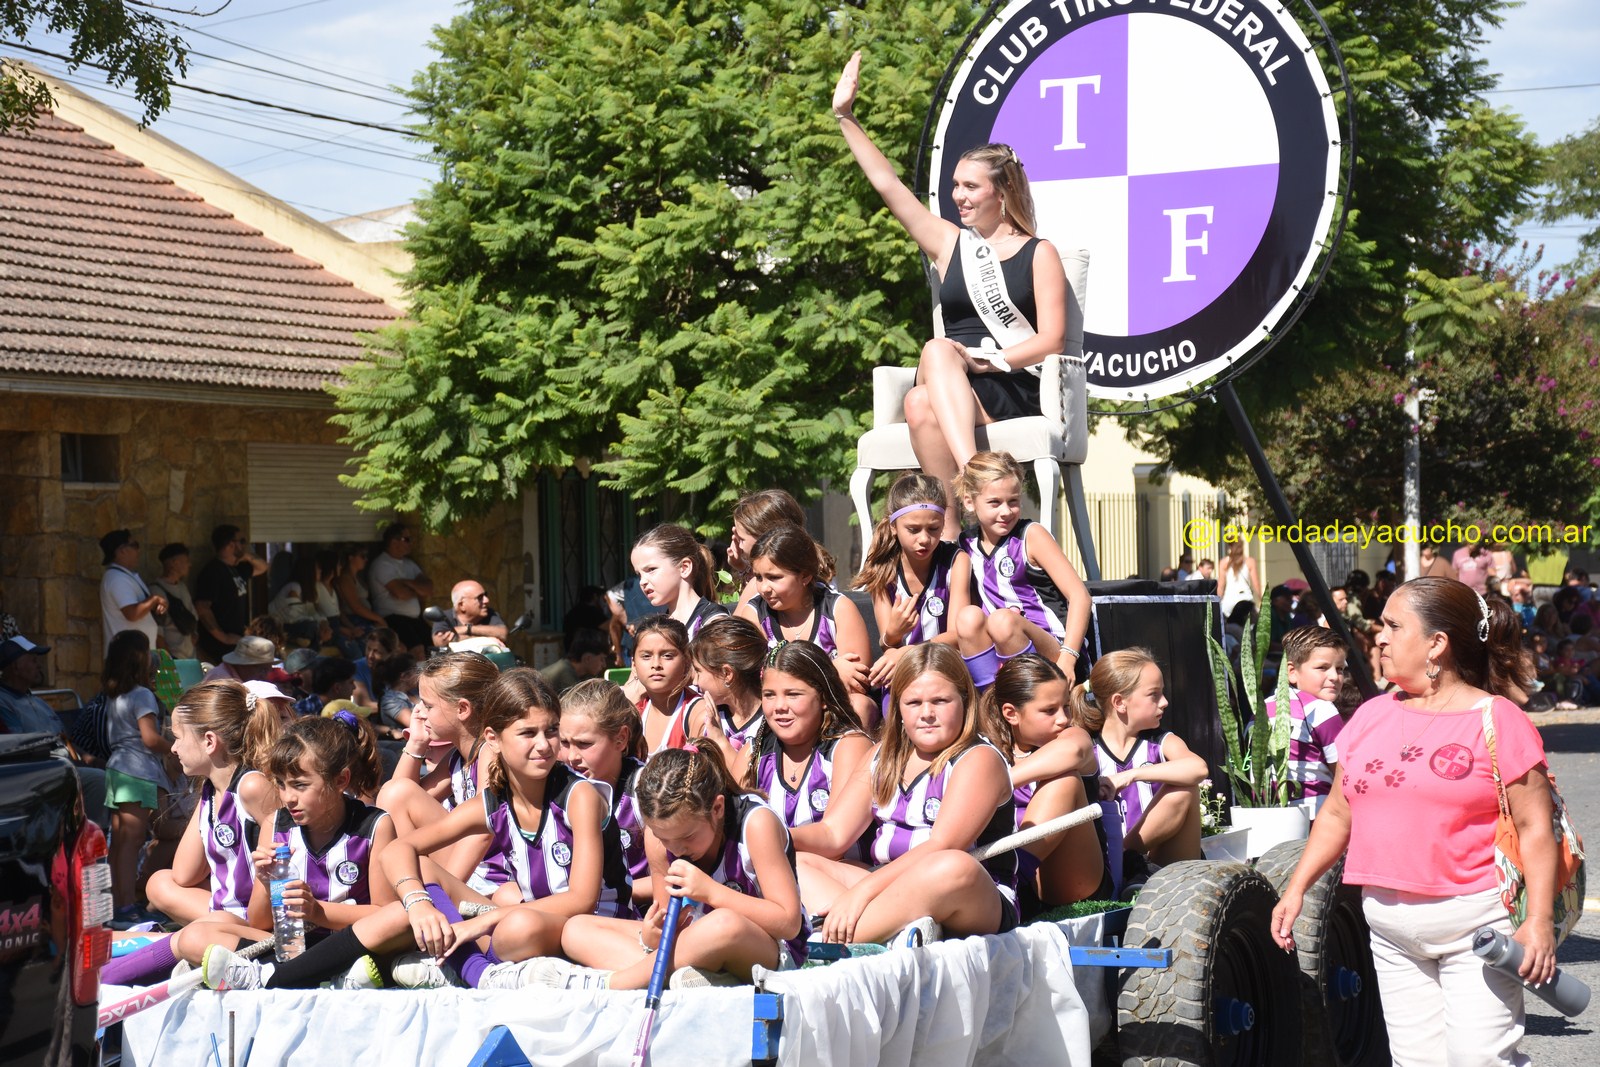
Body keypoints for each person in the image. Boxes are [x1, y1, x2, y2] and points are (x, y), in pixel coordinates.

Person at [1272, 577, 1557, 1067]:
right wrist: (1296, 888)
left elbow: (1535, 827)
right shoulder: (1369, 716)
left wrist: (1539, 921)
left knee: (1479, 1060)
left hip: (1477, 925)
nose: (1379, 637)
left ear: (1436, 644)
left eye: (1393, 626)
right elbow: (1338, 813)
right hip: (1389, 929)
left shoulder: (1498, 719)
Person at [833, 51, 1069, 538]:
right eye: (956, 185)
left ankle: (960, 512)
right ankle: (970, 494)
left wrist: (987, 362)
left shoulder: (1039, 253)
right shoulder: (949, 244)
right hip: (949, 379)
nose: (958, 195)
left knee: (927, 382)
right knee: (930, 373)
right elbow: (887, 184)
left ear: (1001, 192)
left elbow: (1052, 340)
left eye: (970, 186)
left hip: (1005, 383)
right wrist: (845, 117)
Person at [507, 743, 808, 991]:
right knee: (577, 928)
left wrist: (711, 892)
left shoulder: (756, 825)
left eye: (687, 837)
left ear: (717, 808)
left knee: (724, 924)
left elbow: (788, 922)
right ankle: (701, 978)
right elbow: (669, 925)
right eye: (665, 839)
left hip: (769, 950)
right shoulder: (659, 839)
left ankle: (615, 983)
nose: (676, 849)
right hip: (691, 944)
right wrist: (653, 935)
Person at [791, 643, 1020, 946]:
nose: (927, 713)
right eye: (914, 702)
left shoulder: (979, 758)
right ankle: (885, 933)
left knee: (953, 866)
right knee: (797, 860)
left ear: (965, 702)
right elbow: (833, 834)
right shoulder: (881, 756)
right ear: (897, 708)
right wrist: (776, 836)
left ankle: (828, 942)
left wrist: (861, 893)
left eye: (940, 701)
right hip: (886, 885)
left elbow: (942, 846)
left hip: (968, 894)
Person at [184, 715, 393, 988]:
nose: (287, 797)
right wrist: (265, 882)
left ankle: (271, 977)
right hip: (292, 947)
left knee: (399, 918)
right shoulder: (276, 824)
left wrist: (318, 912)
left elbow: (385, 914)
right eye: (281, 784)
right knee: (193, 936)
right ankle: (320, 977)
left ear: (341, 780)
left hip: (349, 946)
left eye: (300, 785)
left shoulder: (374, 826)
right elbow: (259, 924)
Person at [102, 680, 283, 987]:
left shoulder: (252, 787)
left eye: (178, 737)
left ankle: (126, 965)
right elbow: (184, 874)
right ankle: (162, 943)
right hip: (228, 913)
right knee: (159, 882)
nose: (172, 748)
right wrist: (208, 796)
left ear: (209, 742)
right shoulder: (213, 791)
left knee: (191, 937)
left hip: (262, 922)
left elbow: (278, 881)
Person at [947, 451, 1090, 688]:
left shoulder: (1031, 536)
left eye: (1013, 501)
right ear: (969, 502)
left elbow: (1080, 596)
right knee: (968, 618)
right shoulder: (966, 544)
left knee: (1002, 621)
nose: (1006, 511)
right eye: (995, 502)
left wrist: (1068, 656)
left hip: (1056, 649)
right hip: (1002, 646)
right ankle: (989, 698)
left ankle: (1034, 695)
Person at [985, 654, 1108, 912]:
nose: (1063, 718)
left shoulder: (1073, 735)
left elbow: (1073, 751)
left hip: (1072, 883)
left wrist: (992, 788)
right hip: (1010, 875)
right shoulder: (986, 751)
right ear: (1011, 714)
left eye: (1066, 707)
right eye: (1049, 711)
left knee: (1064, 780)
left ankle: (1011, 879)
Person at [1073, 648, 1206, 879]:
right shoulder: (1088, 749)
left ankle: (1125, 858)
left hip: (1160, 860)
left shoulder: (1160, 741)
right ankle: (1122, 864)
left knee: (1184, 788)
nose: (1164, 702)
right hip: (1102, 867)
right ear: (1119, 702)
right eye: (1154, 694)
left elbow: (1198, 768)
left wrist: (1130, 775)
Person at [374, 651, 500, 885]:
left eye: (428, 705)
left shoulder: (489, 752)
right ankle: (392, 892)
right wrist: (416, 743)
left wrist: (449, 890)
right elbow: (396, 802)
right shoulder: (456, 756)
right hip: (468, 867)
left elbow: (484, 830)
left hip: (489, 875)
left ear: (462, 709)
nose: (419, 712)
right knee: (395, 792)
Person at [736, 524, 877, 728]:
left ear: (805, 576)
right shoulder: (755, 614)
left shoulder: (837, 609)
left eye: (774, 577)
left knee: (860, 705)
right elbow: (749, 681)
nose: (764, 588)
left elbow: (856, 683)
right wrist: (829, 670)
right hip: (777, 711)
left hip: (829, 709)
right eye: (759, 577)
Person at [743, 640, 871, 859]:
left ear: (823, 697)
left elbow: (834, 843)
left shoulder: (849, 745)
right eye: (769, 695)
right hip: (775, 870)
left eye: (793, 694)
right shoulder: (754, 752)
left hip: (839, 871)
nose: (779, 706)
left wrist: (768, 837)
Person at [852, 472, 958, 691]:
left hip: (946, 670)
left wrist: (910, 651)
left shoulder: (956, 561)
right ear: (894, 526)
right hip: (903, 672)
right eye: (913, 530)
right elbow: (888, 645)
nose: (924, 539)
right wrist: (893, 632)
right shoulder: (882, 568)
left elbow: (958, 636)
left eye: (933, 529)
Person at [100, 630, 170, 920]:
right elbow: (150, 739)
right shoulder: (142, 695)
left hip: (117, 769)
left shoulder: (115, 695)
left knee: (119, 842)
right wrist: (175, 748)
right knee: (132, 842)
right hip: (137, 771)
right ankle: (127, 906)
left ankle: (117, 904)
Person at [559, 679, 649, 901]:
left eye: (584, 744)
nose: (572, 757)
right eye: (564, 743)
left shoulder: (645, 789)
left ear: (621, 739)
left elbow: (672, 877)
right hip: (573, 906)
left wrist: (606, 892)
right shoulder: (557, 785)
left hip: (637, 912)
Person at [0, 635, 107, 822]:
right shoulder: (3, 702)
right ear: (15, 666)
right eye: (33, 660)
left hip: (63, 767)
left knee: (118, 774)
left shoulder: (39, 702)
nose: (39, 665)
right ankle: (95, 836)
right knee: (99, 781)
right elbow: (17, 747)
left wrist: (90, 759)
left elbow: (64, 739)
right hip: (36, 774)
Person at [1264, 627, 1348, 816]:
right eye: (1322, 668)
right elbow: (1343, 774)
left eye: (1340, 669)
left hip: (1270, 816)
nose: (1334, 677)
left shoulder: (1263, 709)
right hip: (1318, 816)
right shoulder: (1321, 710)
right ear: (1292, 672)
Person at [631, 615, 728, 755]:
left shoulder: (699, 715)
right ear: (634, 665)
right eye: (646, 656)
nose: (656, 664)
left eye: (667, 655)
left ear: (687, 662)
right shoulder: (634, 714)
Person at [631, 524, 728, 640]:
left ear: (684, 568)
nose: (642, 582)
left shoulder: (714, 625)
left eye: (651, 569)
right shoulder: (657, 627)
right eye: (639, 574)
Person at [689, 615, 769, 751]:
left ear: (727, 674)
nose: (695, 681)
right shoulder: (703, 720)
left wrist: (719, 739)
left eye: (698, 671)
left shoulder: (768, 724)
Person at [727, 489, 819, 604]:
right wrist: (742, 567)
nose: (738, 545)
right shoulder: (809, 566)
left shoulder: (757, 587)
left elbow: (740, 616)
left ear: (765, 538)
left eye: (741, 539)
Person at [193, 526, 268, 663]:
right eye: (242, 541)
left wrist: (247, 556)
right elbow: (202, 607)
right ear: (231, 544)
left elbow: (263, 567)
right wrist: (224, 637)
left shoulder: (238, 568)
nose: (245, 545)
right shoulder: (212, 572)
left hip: (237, 643)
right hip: (219, 647)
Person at [368, 523, 434, 656]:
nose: (411, 543)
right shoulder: (382, 564)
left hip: (414, 619)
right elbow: (401, 593)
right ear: (394, 542)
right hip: (393, 618)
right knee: (417, 651)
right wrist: (417, 589)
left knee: (434, 648)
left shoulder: (410, 564)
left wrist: (406, 582)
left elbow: (428, 589)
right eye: (407, 539)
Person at [99, 529, 166, 656]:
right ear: (122, 550)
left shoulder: (123, 576)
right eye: (135, 545)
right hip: (128, 657)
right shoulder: (117, 579)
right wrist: (154, 600)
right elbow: (132, 614)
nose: (138, 551)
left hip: (135, 655)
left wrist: (155, 604)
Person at [150, 543, 200, 660]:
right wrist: (168, 662)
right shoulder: (156, 591)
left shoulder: (182, 587)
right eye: (186, 561)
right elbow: (158, 632)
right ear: (175, 563)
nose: (189, 565)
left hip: (189, 656)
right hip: (173, 656)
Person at [431, 579, 509, 647]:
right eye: (480, 598)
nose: (486, 600)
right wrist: (487, 640)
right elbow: (440, 641)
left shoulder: (490, 613)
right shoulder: (444, 617)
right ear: (462, 605)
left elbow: (503, 633)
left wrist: (467, 629)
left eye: (485, 595)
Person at [539, 628, 609, 696]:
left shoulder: (577, 672)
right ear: (587, 658)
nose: (604, 665)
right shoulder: (565, 673)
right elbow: (580, 700)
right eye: (602, 659)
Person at [293, 656, 357, 718]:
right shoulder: (300, 713)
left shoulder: (350, 710)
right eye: (351, 683)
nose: (354, 687)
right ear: (337, 688)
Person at [202, 635, 277, 685]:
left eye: (268, 669)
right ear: (242, 665)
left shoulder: (247, 679)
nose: (265, 676)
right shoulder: (220, 680)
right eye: (262, 669)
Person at [1218, 539, 1260, 621]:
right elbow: (1256, 584)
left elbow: (1221, 586)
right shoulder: (1250, 561)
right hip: (1245, 598)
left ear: (1230, 547)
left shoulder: (1223, 562)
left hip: (1228, 599)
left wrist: (1217, 602)